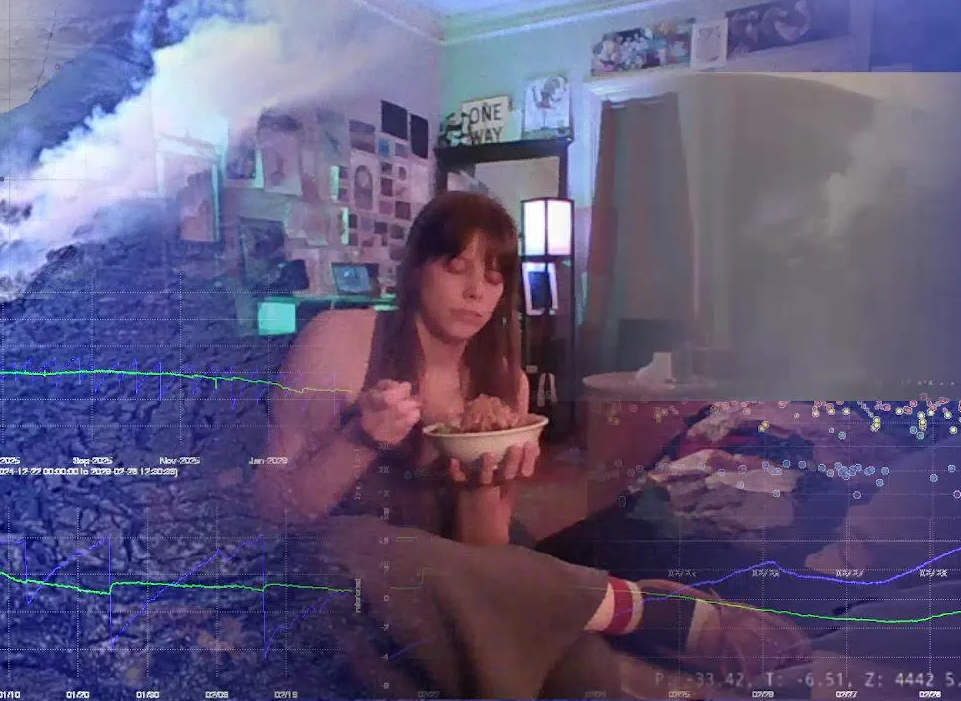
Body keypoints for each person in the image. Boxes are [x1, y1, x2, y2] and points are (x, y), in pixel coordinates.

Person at [252, 191, 810, 698]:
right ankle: (646, 609)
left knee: (577, 663)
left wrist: (481, 488)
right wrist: (360, 439)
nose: (477, 292)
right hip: (348, 566)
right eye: (456, 267)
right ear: (418, 268)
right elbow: (271, 507)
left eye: (494, 277)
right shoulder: (342, 341)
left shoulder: (504, 382)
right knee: (359, 543)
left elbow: (483, 551)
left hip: (456, 573)